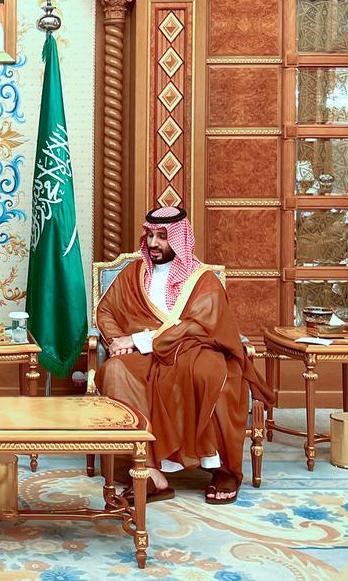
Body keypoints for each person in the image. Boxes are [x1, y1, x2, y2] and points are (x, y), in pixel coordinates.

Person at [96, 205, 272, 505]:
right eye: (150, 235)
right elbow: (107, 311)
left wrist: (136, 339)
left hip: (194, 350)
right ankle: (149, 471)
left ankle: (223, 469)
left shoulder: (204, 280)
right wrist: (115, 341)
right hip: (148, 356)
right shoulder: (133, 273)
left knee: (210, 375)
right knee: (114, 370)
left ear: (179, 238)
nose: (153, 243)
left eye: (162, 237)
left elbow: (199, 327)